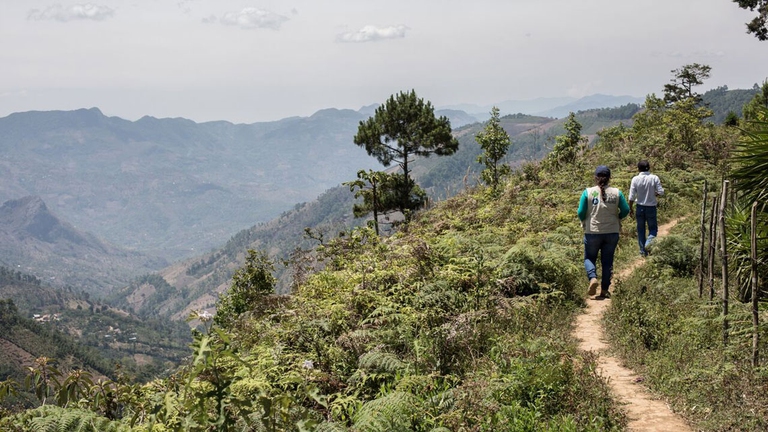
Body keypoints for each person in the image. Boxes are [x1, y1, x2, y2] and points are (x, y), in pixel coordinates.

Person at [577, 165, 630, 299]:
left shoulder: (587, 192)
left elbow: (580, 212)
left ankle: (593, 278)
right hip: (612, 232)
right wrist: (618, 217)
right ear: (609, 178)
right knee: (607, 261)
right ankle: (605, 290)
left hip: (592, 231)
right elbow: (625, 210)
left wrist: (585, 220)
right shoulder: (617, 192)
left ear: (595, 178)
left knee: (589, 257)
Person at [628, 160, 664, 257]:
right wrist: (654, 193)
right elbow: (661, 191)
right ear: (649, 167)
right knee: (653, 229)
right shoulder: (654, 178)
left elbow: (631, 196)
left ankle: (643, 251)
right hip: (651, 207)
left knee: (640, 229)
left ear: (638, 168)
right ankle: (648, 244)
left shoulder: (635, 179)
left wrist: (630, 208)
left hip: (640, 207)